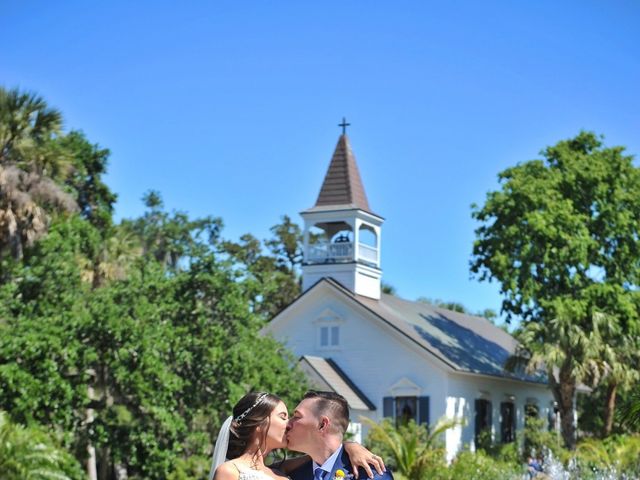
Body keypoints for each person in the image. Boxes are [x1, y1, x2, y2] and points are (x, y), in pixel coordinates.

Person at [210, 392, 386, 480]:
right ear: (259, 423)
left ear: (323, 424)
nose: (289, 424)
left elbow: (326, 453)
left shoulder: (283, 471)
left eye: (294, 417)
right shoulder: (230, 471)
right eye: (283, 417)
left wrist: (351, 446)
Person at [287, 391, 394, 480]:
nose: (288, 423)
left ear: (322, 425)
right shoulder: (293, 475)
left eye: (297, 416)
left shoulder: (371, 475)